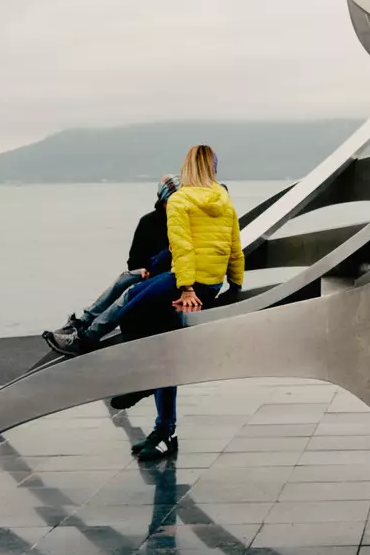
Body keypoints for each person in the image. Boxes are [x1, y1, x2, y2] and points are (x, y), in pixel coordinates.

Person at [51, 144, 242, 463]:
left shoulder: (183, 201)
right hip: (207, 282)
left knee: (135, 308)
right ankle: (161, 423)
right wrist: (235, 284)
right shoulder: (223, 201)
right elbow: (233, 247)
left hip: (187, 284)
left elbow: (183, 248)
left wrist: (184, 288)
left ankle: (89, 340)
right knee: (154, 339)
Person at [43, 176, 178, 353]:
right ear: (162, 200)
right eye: (171, 201)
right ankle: (82, 322)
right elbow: (134, 260)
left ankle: (87, 336)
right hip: (149, 271)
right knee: (125, 278)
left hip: (166, 274)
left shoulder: (182, 223)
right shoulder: (148, 223)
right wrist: (144, 268)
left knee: (128, 293)